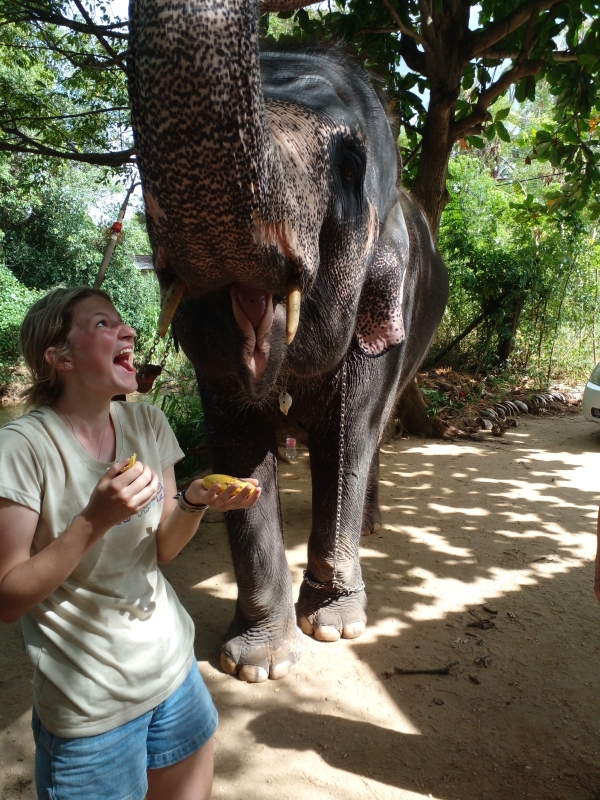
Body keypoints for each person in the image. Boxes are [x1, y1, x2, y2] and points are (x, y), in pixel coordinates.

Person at [0, 286, 260, 800]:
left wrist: (193, 499)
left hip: (174, 672)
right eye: (103, 323)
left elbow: (163, 549)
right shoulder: (22, 447)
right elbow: (8, 597)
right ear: (60, 358)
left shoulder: (147, 422)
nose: (129, 331)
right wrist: (93, 521)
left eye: (122, 321)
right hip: (90, 708)